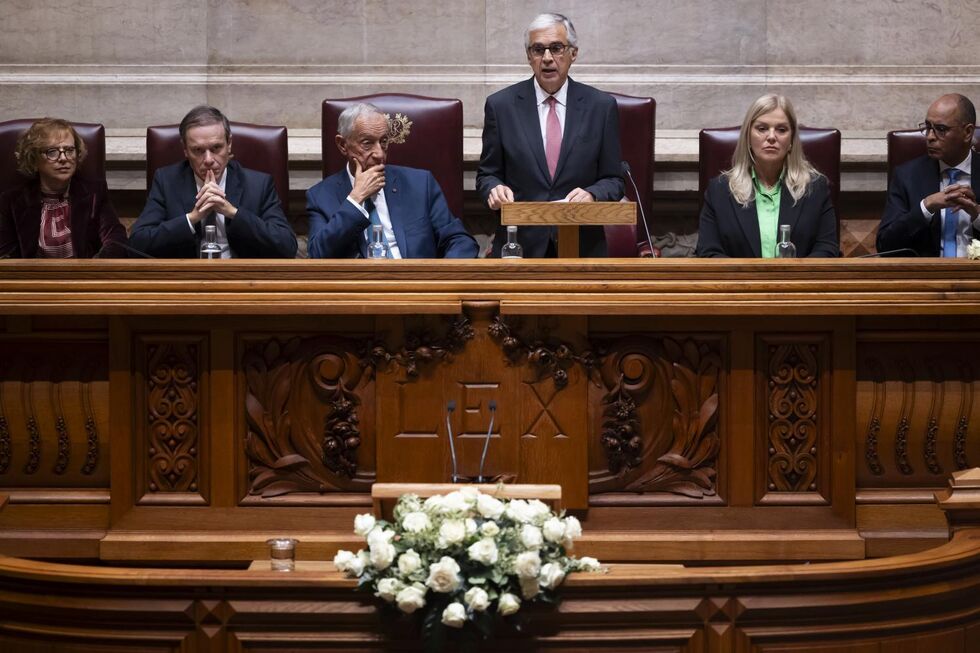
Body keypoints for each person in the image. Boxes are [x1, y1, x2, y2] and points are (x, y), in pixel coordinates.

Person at [476, 12, 624, 258]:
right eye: (538, 49)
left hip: (582, 248)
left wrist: (593, 194)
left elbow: (614, 180)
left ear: (573, 53)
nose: (547, 58)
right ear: (528, 56)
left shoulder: (601, 107)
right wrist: (494, 189)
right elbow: (487, 175)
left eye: (556, 48)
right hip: (520, 248)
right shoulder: (501, 106)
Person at [306, 103, 478, 259]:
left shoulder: (420, 184)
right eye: (367, 143)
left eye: (384, 141)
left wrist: (439, 282)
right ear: (343, 145)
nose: (380, 154)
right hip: (360, 289)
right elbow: (317, 255)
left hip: (417, 285)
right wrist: (356, 200)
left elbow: (460, 241)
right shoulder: (320, 196)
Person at [130, 105, 297, 258]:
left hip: (242, 280)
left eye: (216, 148)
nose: (208, 159)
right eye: (198, 150)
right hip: (185, 281)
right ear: (185, 150)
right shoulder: (167, 181)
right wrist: (192, 218)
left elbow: (287, 247)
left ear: (229, 144)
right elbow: (137, 244)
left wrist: (232, 212)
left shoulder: (258, 184)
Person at [696, 94, 839, 258]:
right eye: (762, 128)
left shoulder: (815, 188)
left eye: (781, 129)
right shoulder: (719, 191)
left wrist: (793, 280)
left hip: (800, 283)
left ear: (791, 139)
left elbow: (827, 249)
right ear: (748, 137)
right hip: (737, 283)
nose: (771, 137)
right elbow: (709, 252)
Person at [0, 118, 127, 258]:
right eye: (52, 151)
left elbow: (116, 240)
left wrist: (91, 270)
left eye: (69, 150)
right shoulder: (11, 201)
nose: (63, 158)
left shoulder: (94, 193)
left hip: (84, 277)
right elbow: (6, 256)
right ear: (33, 158)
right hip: (31, 278)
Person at [877, 93, 978, 257]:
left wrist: (977, 215)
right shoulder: (907, 176)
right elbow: (885, 245)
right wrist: (926, 206)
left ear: (967, 132)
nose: (930, 137)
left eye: (941, 129)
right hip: (926, 277)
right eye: (928, 127)